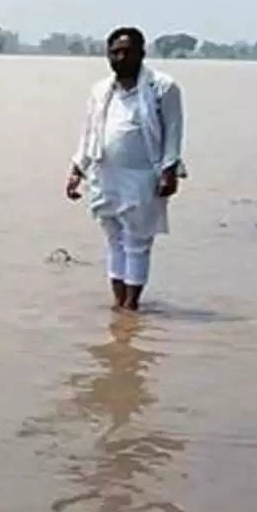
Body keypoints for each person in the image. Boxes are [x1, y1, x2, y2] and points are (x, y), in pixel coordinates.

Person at [65, 27, 185, 311]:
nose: (120, 58)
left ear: (142, 53)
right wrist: (76, 169)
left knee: (137, 242)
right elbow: (90, 132)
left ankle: (132, 305)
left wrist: (170, 170)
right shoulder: (101, 90)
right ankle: (119, 306)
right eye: (114, 52)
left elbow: (174, 132)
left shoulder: (162, 88)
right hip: (105, 174)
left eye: (127, 52)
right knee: (114, 241)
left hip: (143, 174)